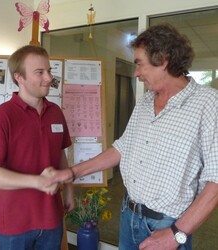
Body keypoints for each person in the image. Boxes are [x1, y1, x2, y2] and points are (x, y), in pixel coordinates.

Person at [50, 24, 218, 250]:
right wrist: (72, 172)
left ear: (164, 60)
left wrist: (175, 234)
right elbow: (121, 149)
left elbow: (215, 182)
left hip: (168, 225)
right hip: (128, 215)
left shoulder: (209, 104)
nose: (136, 72)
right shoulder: (146, 102)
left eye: (140, 63)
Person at [0, 45, 74, 250]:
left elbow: (59, 153)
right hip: (14, 223)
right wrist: (37, 181)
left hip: (51, 218)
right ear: (19, 77)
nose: (48, 78)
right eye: (40, 72)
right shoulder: (1, 118)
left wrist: (69, 190)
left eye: (49, 71)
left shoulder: (55, 112)